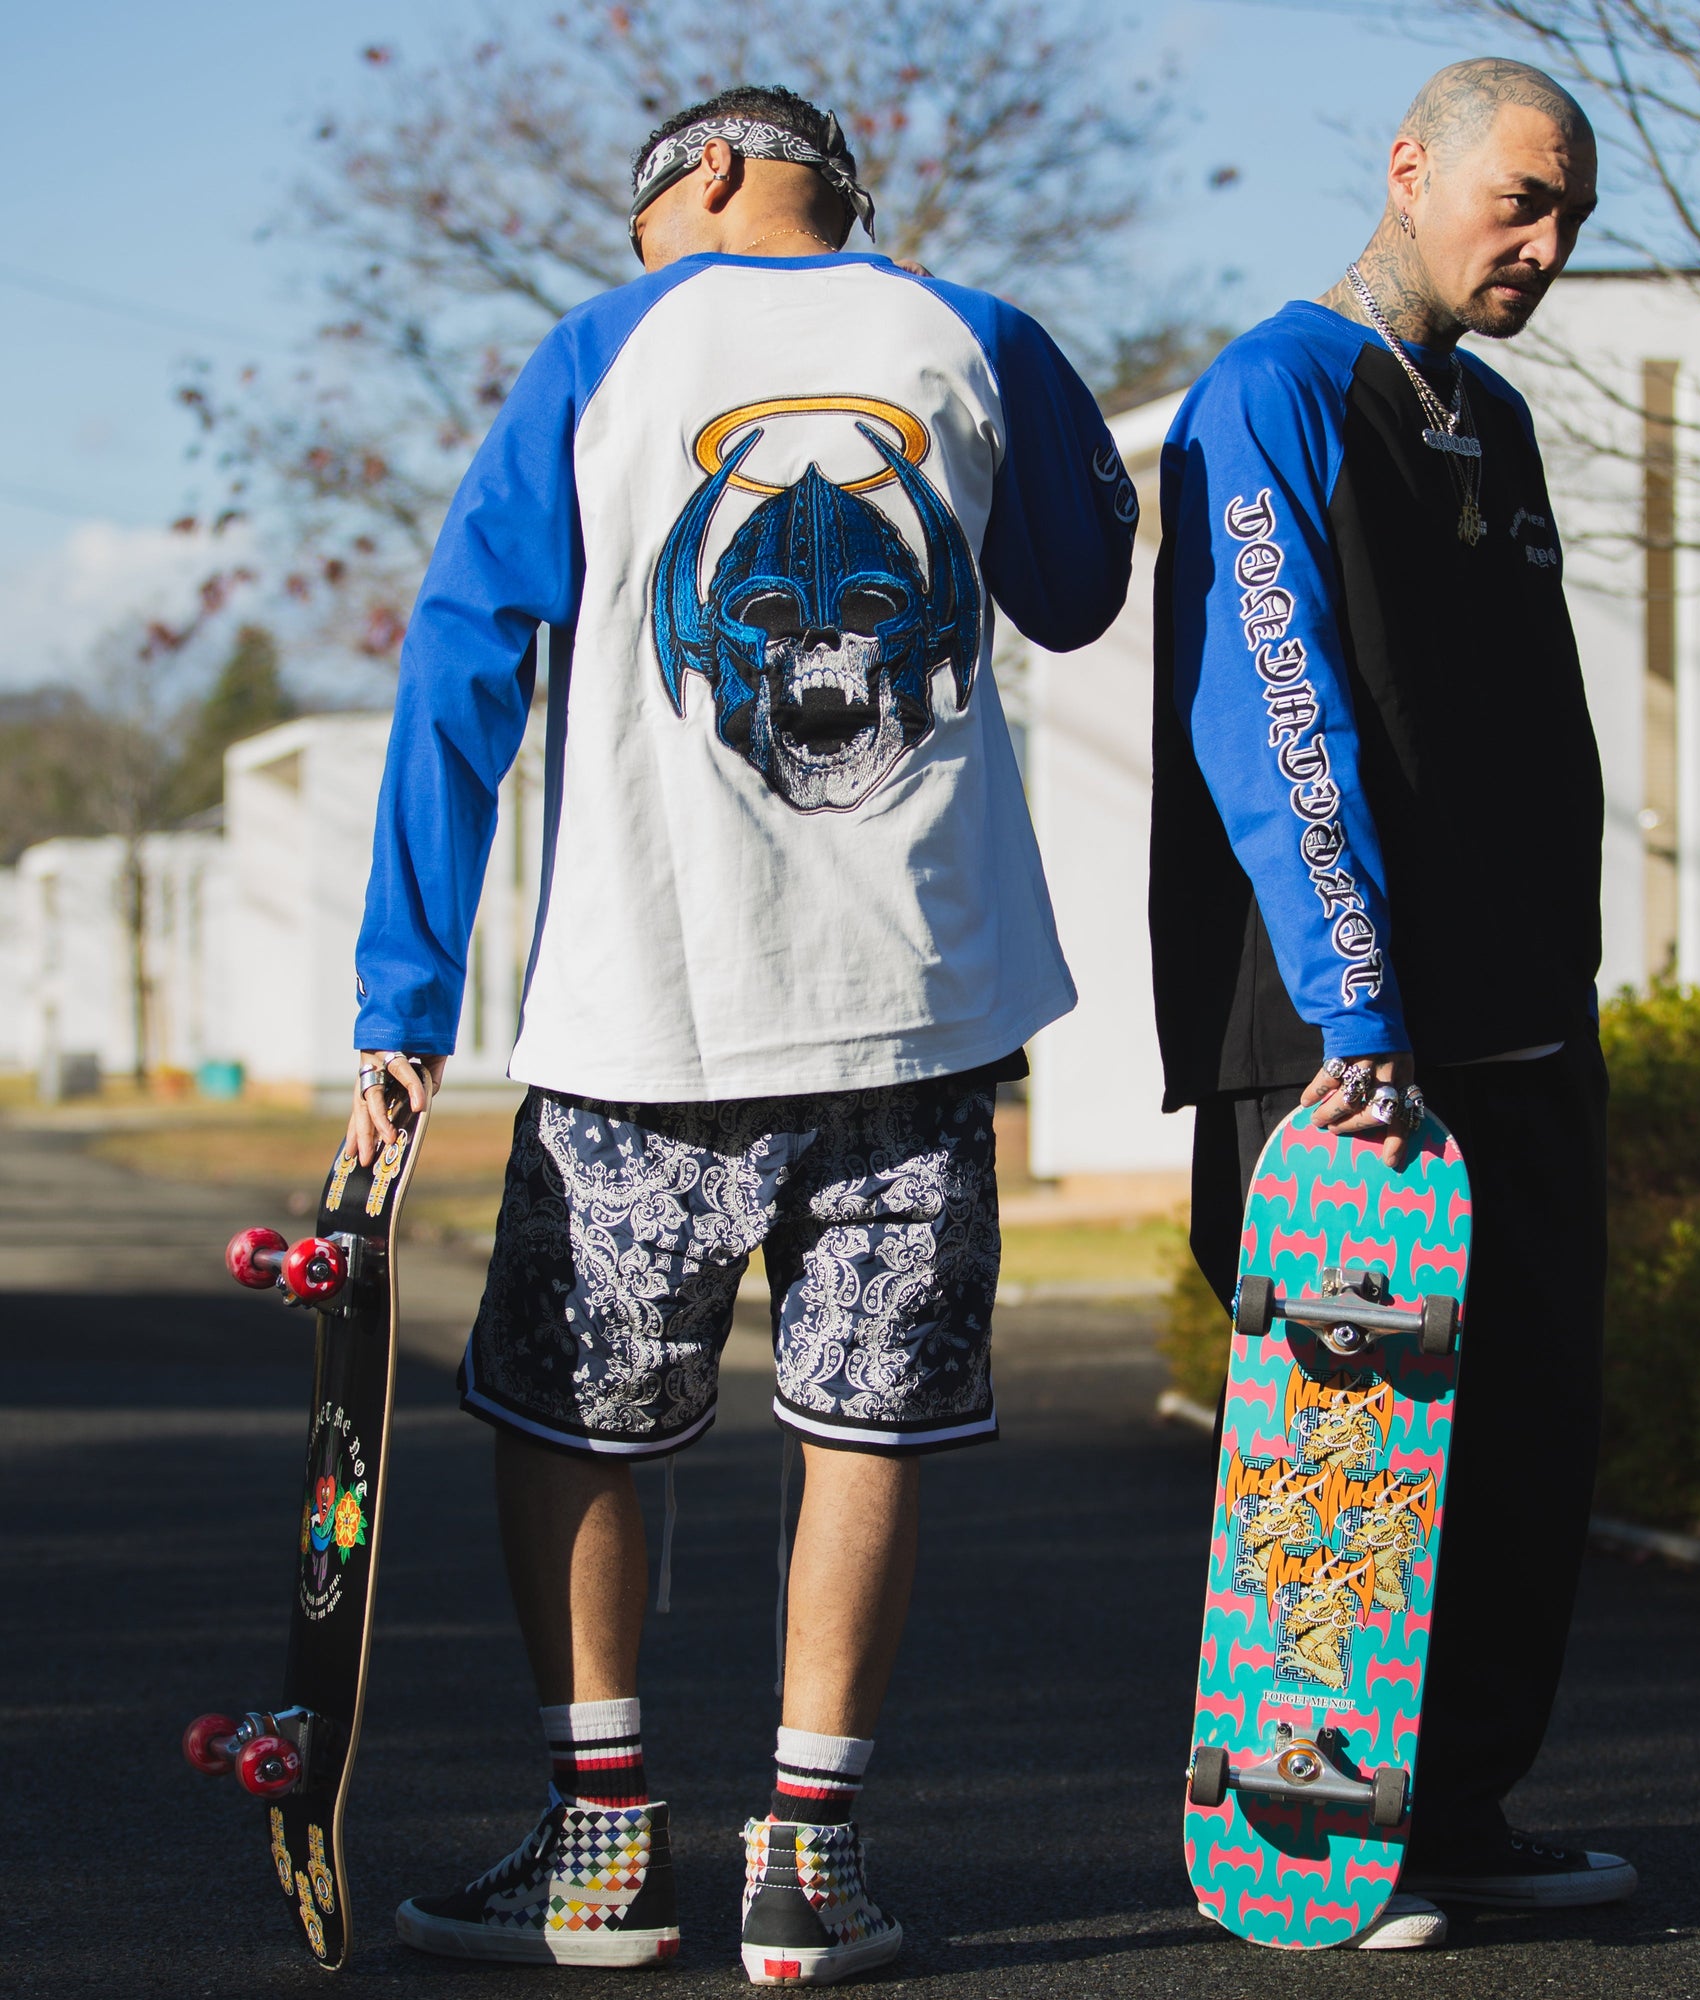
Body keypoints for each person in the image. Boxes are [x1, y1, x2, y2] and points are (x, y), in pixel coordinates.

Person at [343, 82, 1135, 1982]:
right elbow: (1080, 589)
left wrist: (403, 998)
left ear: (697, 177)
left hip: (649, 1025)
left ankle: (607, 1853)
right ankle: (812, 1865)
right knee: (865, 1425)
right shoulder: (975, 334)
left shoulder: (601, 353)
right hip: (920, 1023)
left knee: (583, 1422)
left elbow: (460, 660)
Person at [1150, 58, 1631, 1946]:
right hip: (1343, 1036)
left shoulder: (1490, 424)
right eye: (1521, 200)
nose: (1547, 245)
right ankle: (1303, 1825)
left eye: (1572, 215)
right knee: (1347, 1452)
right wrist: (1357, 1004)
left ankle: (1455, 1810)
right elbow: (1273, 702)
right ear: (1412, 167)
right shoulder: (1270, 392)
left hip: (1524, 1020)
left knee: (1523, 1440)